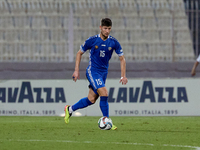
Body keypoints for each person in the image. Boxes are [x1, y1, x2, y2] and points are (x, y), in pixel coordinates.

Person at [64, 18, 128, 130]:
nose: (107, 31)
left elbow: (122, 59)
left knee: (91, 100)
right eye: (105, 28)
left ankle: (70, 109)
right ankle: (107, 120)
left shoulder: (114, 42)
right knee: (104, 93)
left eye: (109, 29)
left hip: (103, 73)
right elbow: (79, 53)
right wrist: (76, 70)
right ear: (100, 28)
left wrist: (123, 76)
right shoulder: (92, 40)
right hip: (93, 71)